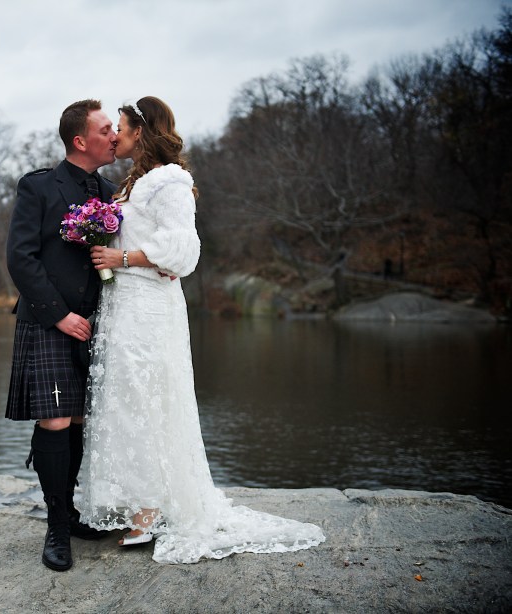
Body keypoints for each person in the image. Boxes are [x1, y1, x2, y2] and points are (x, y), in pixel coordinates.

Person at [81, 96, 325, 563]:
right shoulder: (134, 183)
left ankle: (149, 512)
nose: (116, 136)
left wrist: (122, 258)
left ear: (143, 133)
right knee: (127, 400)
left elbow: (184, 253)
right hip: (124, 306)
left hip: (150, 307)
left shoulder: (169, 182)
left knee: (151, 399)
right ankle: (141, 501)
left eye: (124, 128)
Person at [5, 99, 118, 571]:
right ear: (80, 140)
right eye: (106, 129)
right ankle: (56, 526)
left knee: (78, 421)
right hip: (50, 321)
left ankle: (69, 512)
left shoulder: (113, 191)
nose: (115, 135)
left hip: (99, 322)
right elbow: (21, 258)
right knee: (54, 419)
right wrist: (58, 315)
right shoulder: (38, 187)